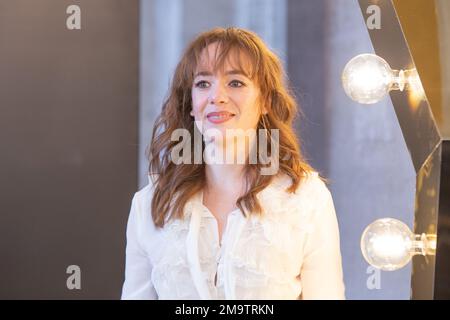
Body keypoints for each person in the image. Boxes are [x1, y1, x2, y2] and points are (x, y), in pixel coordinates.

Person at [121, 27, 345, 300]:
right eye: (203, 84)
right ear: (191, 103)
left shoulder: (306, 198)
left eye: (236, 82)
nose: (217, 96)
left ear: (265, 100)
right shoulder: (151, 205)